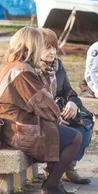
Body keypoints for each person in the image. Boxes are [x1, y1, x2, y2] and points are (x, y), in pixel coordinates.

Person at [0, 27, 82, 194]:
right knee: (75, 137)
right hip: (17, 129)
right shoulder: (23, 71)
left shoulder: (10, 64)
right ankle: (51, 186)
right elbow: (44, 104)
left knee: (62, 132)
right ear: (32, 46)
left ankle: (54, 182)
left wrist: (54, 119)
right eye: (40, 45)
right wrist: (56, 118)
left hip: (12, 123)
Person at [38, 28, 92, 185]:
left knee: (85, 123)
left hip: (58, 109)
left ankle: (68, 168)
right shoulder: (32, 69)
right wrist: (54, 117)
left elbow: (70, 91)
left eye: (54, 47)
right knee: (72, 133)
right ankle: (55, 169)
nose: (52, 52)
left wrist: (73, 103)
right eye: (47, 48)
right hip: (44, 116)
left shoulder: (58, 66)